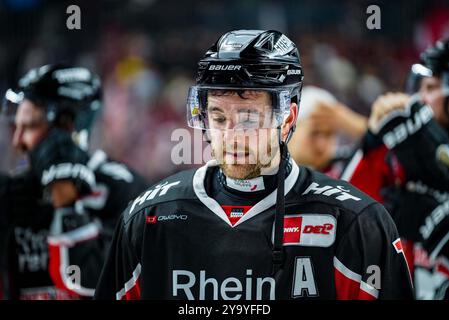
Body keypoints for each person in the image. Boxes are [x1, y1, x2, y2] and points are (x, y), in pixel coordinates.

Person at [95, 30, 413, 300]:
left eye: (248, 119)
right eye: (219, 117)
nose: (232, 137)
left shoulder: (357, 223)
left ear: (287, 119)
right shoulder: (149, 219)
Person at [0, 64, 148, 299]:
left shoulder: (124, 187)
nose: (18, 141)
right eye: (16, 127)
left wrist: (65, 197)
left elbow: (95, 282)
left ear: (68, 126)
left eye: (29, 126)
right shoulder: (14, 190)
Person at [340, 39, 449, 299]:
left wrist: (437, 222)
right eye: (420, 88)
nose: (421, 99)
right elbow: (350, 208)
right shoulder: (402, 157)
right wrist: (373, 142)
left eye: (432, 88)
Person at [288, 85, 367, 177]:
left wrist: (353, 123)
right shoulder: (270, 174)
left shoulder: (344, 175)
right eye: (315, 133)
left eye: (329, 135)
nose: (321, 146)